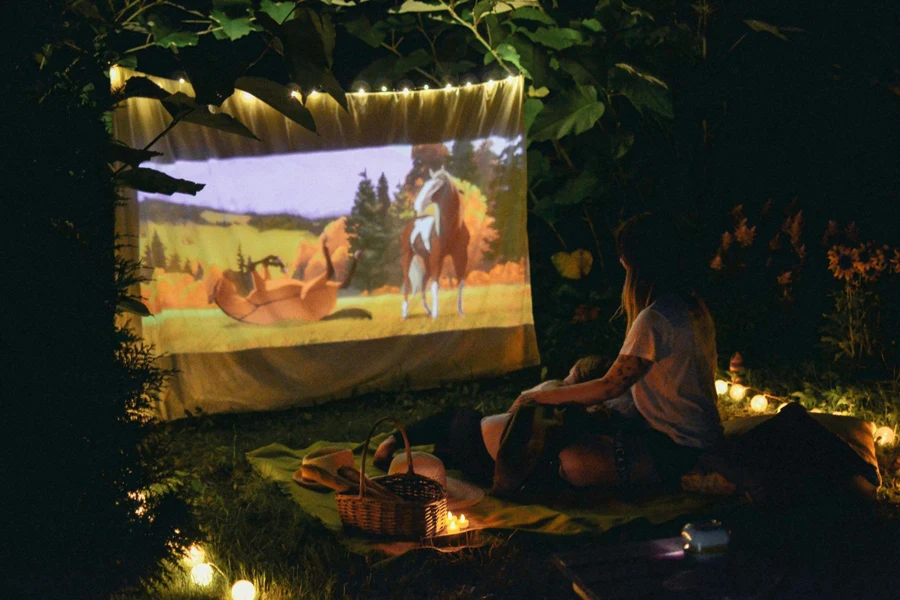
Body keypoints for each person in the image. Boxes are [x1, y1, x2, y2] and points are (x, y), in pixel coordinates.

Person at [377, 212, 722, 495]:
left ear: (639, 268)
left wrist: (543, 399)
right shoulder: (692, 308)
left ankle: (402, 442)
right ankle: (404, 443)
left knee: (476, 432)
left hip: (672, 448)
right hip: (694, 439)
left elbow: (608, 387)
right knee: (483, 435)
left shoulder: (656, 318)